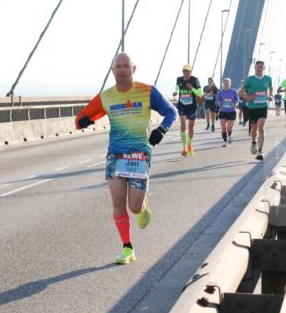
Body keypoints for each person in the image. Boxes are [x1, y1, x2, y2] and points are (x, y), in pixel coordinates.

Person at [75, 52, 177, 264]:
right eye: (118, 66)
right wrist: (83, 121)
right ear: (112, 70)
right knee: (117, 200)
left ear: (133, 69)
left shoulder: (147, 91)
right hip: (116, 154)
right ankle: (127, 248)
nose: (122, 69)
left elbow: (171, 112)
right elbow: (82, 117)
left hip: (140, 154)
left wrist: (161, 130)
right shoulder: (106, 97)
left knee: (135, 207)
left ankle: (143, 205)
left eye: (125, 66)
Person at [239, 60, 273, 161]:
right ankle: (253, 141)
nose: (259, 68)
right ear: (255, 68)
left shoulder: (268, 78)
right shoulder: (249, 80)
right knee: (254, 129)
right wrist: (248, 97)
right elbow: (241, 92)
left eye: (261, 67)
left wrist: (270, 95)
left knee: (261, 127)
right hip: (252, 107)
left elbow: (270, 88)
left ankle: (260, 151)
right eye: (257, 67)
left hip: (263, 106)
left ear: (264, 68)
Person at [172, 64, 202, 156]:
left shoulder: (194, 80)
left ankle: (189, 144)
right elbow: (177, 87)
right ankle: (184, 147)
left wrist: (191, 88)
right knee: (183, 126)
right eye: (184, 71)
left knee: (191, 128)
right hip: (182, 105)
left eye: (188, 71)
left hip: (192, 106)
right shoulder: (179, 79)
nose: (186, 73)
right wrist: (176, 92)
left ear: (190, 72)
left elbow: (200, 94)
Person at [216, 78, 239, 146]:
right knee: (223, 127)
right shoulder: (220, 92)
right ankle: (225, 142)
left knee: (229, 128)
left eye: (227, 83)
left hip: (231, 111)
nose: (226, 84)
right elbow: (217, 101)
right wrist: (219, 102)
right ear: (223, 84)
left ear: (230, 84)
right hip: (223, 111)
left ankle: (229, 135)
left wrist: (234, 104)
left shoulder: (234, 91)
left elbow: (237, 100)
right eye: (225, 83)